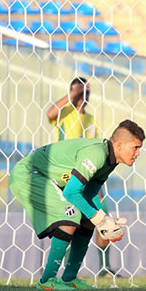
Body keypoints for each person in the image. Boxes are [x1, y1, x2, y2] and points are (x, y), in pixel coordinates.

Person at [9, 120, 145, 290]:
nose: (138, 153)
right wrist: (100, 220)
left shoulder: (110, 161)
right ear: (119, 145)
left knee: (86, 219)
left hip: (45, 179)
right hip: (28, 175)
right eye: (135, 147)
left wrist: (102, 218)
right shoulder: (97, 154)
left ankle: (69, 278)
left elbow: (87, 194)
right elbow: (71, 192)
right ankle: (46, 281)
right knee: (71, 215)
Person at [47, 77, 118, 277]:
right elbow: (49, 113)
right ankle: (67, 271)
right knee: (71, 223)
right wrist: (74, 93)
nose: (84, 96)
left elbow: (95, 151)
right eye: (81, 91)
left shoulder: (90, 120)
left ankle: (105, 267)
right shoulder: (63, 114)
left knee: (103, 216)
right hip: (65, 178)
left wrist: (98, 184)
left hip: (87, 177)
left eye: (86, 92)